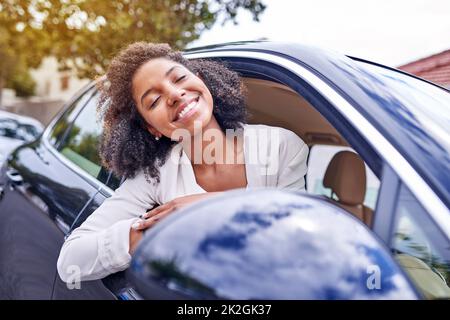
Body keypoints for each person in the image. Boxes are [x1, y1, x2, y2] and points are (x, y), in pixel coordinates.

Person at [57, 42, 309, 282]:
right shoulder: (154, 175)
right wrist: (152, 232)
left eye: (179, 78)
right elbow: (70, 263)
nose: (175, 94)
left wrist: (210, 208)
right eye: (154, 101)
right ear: (150, 127)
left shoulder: (280, 146)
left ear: (200, 78)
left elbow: (299, 242)